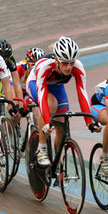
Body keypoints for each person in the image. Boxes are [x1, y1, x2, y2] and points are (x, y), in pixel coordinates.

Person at [25, 36, 101, 167]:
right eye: (65, 63)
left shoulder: (78, 67)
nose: (69, 67)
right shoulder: (44, 66)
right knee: (51, 104)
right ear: (56, 59)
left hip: (57, 86)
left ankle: (58, 164)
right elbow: (42, 94)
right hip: (36, 84)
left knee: (62, 123)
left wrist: (89, 121)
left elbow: (82, 93)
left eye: (71, 62)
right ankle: (41, 149)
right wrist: (47, 122)